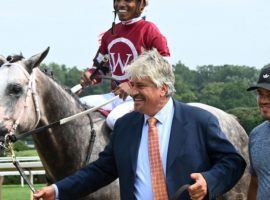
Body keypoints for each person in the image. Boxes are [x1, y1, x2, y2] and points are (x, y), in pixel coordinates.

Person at [34, 49, 246, 200]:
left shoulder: (200, 121)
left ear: (163, 88)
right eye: (132, 85)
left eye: (140, 86)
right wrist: (58, 190)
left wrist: (209, 182)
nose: (133, 92)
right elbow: (99, 171)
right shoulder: (126, 126)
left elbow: (232, 162)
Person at [80, 0, 170, 129]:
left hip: (141, 98)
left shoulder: (149, 29)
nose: (121, 4)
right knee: (78, 105)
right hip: (115, 97)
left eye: (128, 0)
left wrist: (132, 85)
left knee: (114, 119)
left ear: (142, 4)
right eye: (117, 0)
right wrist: (90, 75)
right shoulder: (109, 34)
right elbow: (100, 68)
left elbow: (164, 67)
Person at [247, 66, 270, 200]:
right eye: (260, 94)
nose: (263, 101)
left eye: (269, 95)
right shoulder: (256, 135)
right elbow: (255, 182)